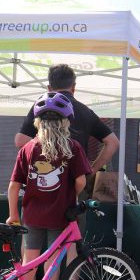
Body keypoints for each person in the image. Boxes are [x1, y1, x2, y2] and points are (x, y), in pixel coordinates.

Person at [7, 92, 92, 280]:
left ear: (37, 123)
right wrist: (70, 196)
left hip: (31, 216)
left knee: (27, 268)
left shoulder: (29, 148)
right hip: (60, 216)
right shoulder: (72, 148)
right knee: (51, 269)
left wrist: (13, 215)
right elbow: (80, 181)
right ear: (66, 123)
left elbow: (14, 185)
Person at [14, 64, 119, 267]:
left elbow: (20, 141)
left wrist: (42, 150)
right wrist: (91, 168)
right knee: (71, 243)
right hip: (74, 185)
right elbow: (113, 142)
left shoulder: (40, 106)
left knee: (30, 248)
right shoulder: (86, 111)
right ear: (74, 87)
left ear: (48, 87)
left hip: (40, 185)